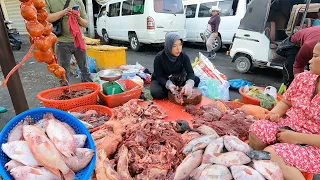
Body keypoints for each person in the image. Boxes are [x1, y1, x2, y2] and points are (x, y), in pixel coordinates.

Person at [249, 41, 320, 180]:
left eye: (316, 56)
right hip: (289, 127)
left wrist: (296, 138)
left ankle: (283, 166)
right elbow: (286, 101)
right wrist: (275, 113)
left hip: (314, 144)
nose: (310, 61)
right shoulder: (303, 78)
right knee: (257, 130)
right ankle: (268, 170)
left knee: (271, 154)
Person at [44, 0, 92, 85]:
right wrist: (62, 13)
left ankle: (90, 89)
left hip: (79, 41)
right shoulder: (48, 1)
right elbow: (46, 18)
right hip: (62, 42)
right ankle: (65, 92)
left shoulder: (78, 1)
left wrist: (78, 18)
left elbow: (85, 23)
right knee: (63, 72)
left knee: (85, 69)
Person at [150, 32, 200, 99]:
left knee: (195, 80)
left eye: (180, 45)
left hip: (178, 78)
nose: (178, 49)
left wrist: (189, 84)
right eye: (174, 46)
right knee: (156, 92)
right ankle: (174, 89)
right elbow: (159, 76)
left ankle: (179, 89)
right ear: (169, 45)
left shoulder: (183, 56)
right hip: (164, 79)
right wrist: (169, 85)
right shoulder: (159, 58)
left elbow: (190, 72)